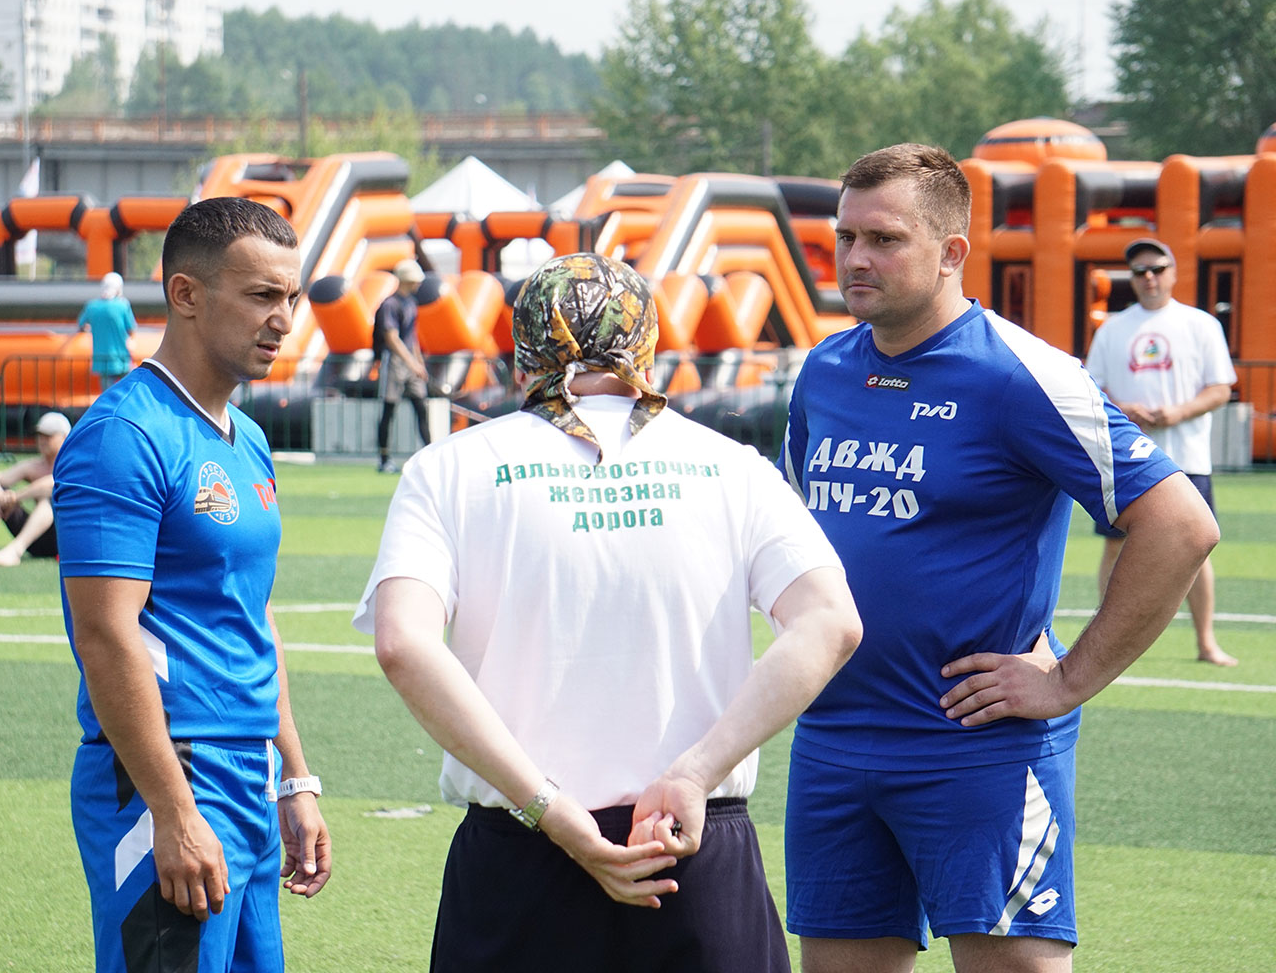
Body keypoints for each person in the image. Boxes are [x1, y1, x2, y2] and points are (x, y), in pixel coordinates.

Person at [354, 252, 862, 973]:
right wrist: (695, 773)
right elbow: (832, 622)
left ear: (524, 347)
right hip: (689, 842)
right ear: (647, 343)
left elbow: (403, 644)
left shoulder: (447, 467)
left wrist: (548, 807)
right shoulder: (732, 465)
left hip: (521, 847)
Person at [778, 144, 1219, 973]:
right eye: (846, 237)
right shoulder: (823, 372)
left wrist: (1068, 678)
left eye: (885, 239)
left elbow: (1182, 525)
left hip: (975, 745)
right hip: (832, 739)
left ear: (952, 252)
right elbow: (792, 532)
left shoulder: (1024, 376)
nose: (856, 258)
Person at [52, 196, 332, 973]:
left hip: (250, 774)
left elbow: (251, 614)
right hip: (165, 775)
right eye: (262, 295)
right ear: (186, 294)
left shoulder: (249, 439)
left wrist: (295, 775)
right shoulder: (122, 436)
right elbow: (105, 635)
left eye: (292, 297)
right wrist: (173, 810)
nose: (284, 320)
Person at [1085, 238, 1239, 666]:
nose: (1149, 277)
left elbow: (1220, 388)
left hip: (1187, 457)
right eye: (1140, 271)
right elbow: (1092, 387)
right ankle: (1105, 648)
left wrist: (1177, 413)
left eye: (1157, 269)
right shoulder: (1112, 329)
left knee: (1196, 549)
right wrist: (1124, 410)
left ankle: (1206, 643)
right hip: (1128, 460)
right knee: (1115, 548)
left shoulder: (1201, 324)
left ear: (1173, 272)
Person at [372, 258, 430, 473]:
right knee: (389, 409)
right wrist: (412, 363)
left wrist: (419, 363)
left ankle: (430, 454)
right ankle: (384, 458)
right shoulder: (390, 304)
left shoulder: (411, 303)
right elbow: (392, 338)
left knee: (421, 407)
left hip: (409, 360)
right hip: (394, 361)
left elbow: (411, 337)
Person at [0, 410, 69, 566]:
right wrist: (1, 498)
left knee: (50, 498)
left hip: (65, 540)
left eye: (48, 436)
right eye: (40, 436)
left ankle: (15, 551)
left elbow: (52, 483)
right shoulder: (34, 466)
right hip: (37, 541)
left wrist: (15, 497)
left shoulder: (71, 465)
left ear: (64, 437)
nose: (42, 441)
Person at [78, 271, 137, 391]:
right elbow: (131, 328)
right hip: (122, 358)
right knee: (129, 390)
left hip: (101, 360)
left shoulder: (91, 306)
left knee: (107, 394)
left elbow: (81, 325)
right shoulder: (122, 305)